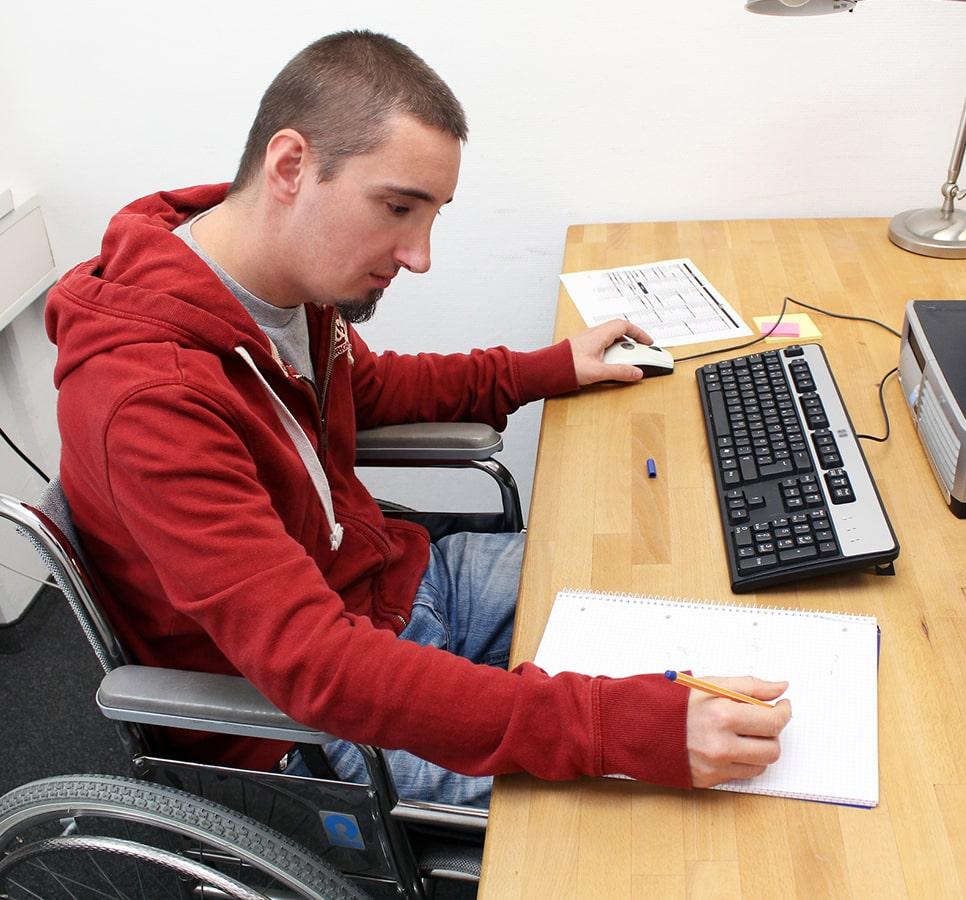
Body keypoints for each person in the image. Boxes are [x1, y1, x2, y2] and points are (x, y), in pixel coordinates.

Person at [46, 29, 791, 808]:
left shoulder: (276, 274)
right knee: (665, 809)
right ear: (291, 166)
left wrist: (550, 367)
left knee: (682, 592)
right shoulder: (149, 399)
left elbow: (369, 389)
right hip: (317, 722)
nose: (420, 254)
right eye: (398, 208)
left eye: (430, 213)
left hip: (404, 589)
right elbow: (316, 664)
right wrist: (614, 727)